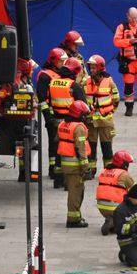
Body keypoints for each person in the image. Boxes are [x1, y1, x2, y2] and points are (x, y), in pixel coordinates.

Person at [36, 47, 71, 188]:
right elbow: (42, 99)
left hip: (61, 113)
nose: (64, 64)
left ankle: (56, 168)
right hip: (51, 114)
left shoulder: (59, 73)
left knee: (60, 142)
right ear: (54, 61)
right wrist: (48, 117)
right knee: (54, 141)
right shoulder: (45, 76)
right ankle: (52, 168)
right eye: (61, 61)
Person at [57, 101, 93, 228]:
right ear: (78, 114)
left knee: (75, 191)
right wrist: (86, 168)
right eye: (83, 114)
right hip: (75, 165)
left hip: (66, 163)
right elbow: (81, 149)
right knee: (76, 192)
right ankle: (73, 219)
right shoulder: (78, 128)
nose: (85, 117)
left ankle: (76, 215)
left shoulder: (63, 124)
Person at [84, 54, 121, 174]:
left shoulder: (109, 82)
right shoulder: (86, 82)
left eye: (94, 68)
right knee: (91, 146)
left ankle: (108, 169)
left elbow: (116, 99)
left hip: (106, 121)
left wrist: (109, 111)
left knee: (106, 147)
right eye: (91, 67)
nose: (92, 70)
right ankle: (91, 168)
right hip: (91, 121)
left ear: (100, 68)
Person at [97, 150, 136, 236]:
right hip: (116, 207)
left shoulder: (104, 172)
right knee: (135, 201)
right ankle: (114, 222)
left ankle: (111, 220)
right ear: (124, 164)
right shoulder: (124, 175)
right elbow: (136, 191)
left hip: (101, 207)